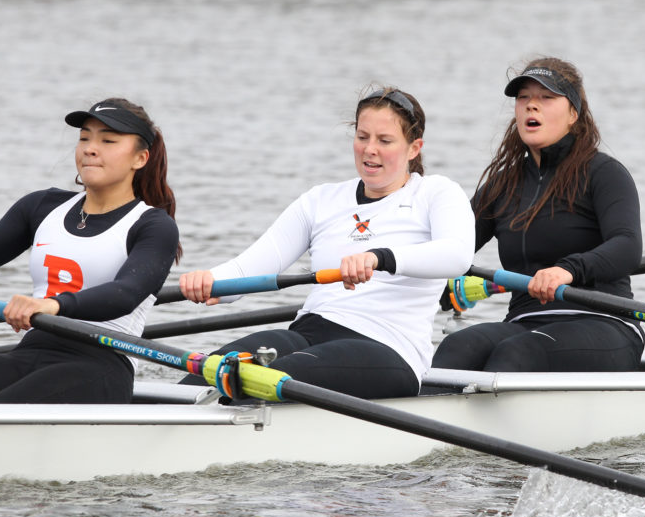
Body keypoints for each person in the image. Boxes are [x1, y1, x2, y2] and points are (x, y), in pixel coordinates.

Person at [178, 87, 474, 399]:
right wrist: (209, 281)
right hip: (308, 332)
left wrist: (379, 258)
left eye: (384, 141)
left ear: (414, 148)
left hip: (387, 347)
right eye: (362, 137)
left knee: (254, 380)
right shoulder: (321, 200)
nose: (369, 149)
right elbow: (250, 269)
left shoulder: (435, 193)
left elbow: (457, 255)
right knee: (209, 374)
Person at [0, 98, 181, 403]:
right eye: (84, 138)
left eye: (108, 140)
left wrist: (52, 305)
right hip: (31, 351)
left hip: (101, 365)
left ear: (140, 158)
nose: (90, 148)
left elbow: (126, 294)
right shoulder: (41, 207)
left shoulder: (153, 226)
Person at [431, 57, 645, 373]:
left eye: (546, 97)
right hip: (526, 320)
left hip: (604, 321)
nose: (532, 106)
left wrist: (567, 270)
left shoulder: (604, 174)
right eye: (524, 98)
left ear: (574, 113)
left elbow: (627, 246)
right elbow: (449, 250)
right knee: (459, 345)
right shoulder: (502, 184)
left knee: (520, 352)